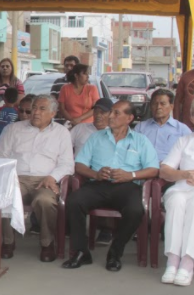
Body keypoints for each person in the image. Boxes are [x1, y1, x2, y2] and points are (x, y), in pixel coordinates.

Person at [62, 101, 159, 271]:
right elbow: (80, 165)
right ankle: (81, 252)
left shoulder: (140, 140)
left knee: (136, 210)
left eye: (116, 113)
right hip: (98, 184)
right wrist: (95, 174)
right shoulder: (96, 137)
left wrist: (131, 175)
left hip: (127, 186)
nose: (110, 116)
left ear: (129, 118)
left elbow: (153, 169)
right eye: (111, 112)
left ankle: (115, 252)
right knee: (74, 201)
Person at [0, 94, 74, 262]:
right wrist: (10, 177)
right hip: (18, 178)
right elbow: (1, 156)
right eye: (35, 108)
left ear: (53, 113)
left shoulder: (62, 133)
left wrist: (53, 177)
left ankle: (47, 243)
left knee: (44, 201)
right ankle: (8, 241)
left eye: (42, 109)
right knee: (6, 197)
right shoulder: (13, 129)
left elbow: (67, 164)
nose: (36, 112)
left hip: (45, 180)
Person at [159, 127, 194, 285]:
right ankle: (173, 260)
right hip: (181, 187)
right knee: (176, 201)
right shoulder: (184, 140)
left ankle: (188, 262)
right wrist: (185, 174)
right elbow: (165, 171)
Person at [134, 88, 191, 161]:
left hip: (172, 169)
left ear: (171, 106)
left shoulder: (182, 130)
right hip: (145, 168)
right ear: (151, 106)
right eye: (155, 104)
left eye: (163, 104)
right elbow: (132, 151)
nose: (158, 107)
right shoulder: (140, 128)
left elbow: (190, 153)